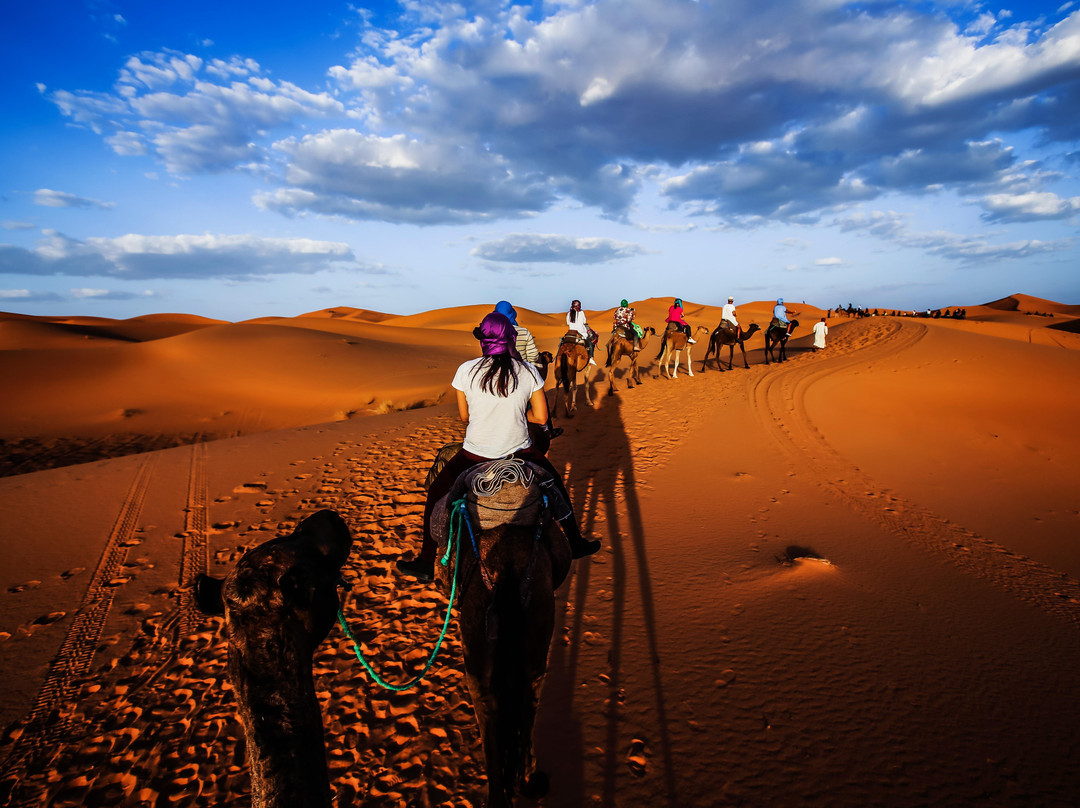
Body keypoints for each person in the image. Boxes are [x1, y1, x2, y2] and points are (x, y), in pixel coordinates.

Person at [396, 312, 600, 582]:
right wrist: (517, 414)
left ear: (483, 340)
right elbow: (540, 418)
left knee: (436, 492)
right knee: (555, 485)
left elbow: (465, 417)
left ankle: (425, 560)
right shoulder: (527, 371)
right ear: (511, 339)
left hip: (473, 455)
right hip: (520, 453)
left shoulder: (465, 370)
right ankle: (575, 542)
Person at [566, 299, 597, 365]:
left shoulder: (569, 313)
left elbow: (568, 323)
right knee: (590, 341)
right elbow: (584, 322)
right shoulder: (581, 312)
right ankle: (591, 357)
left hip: (571, 332)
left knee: (562, 341)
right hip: (581, 332)